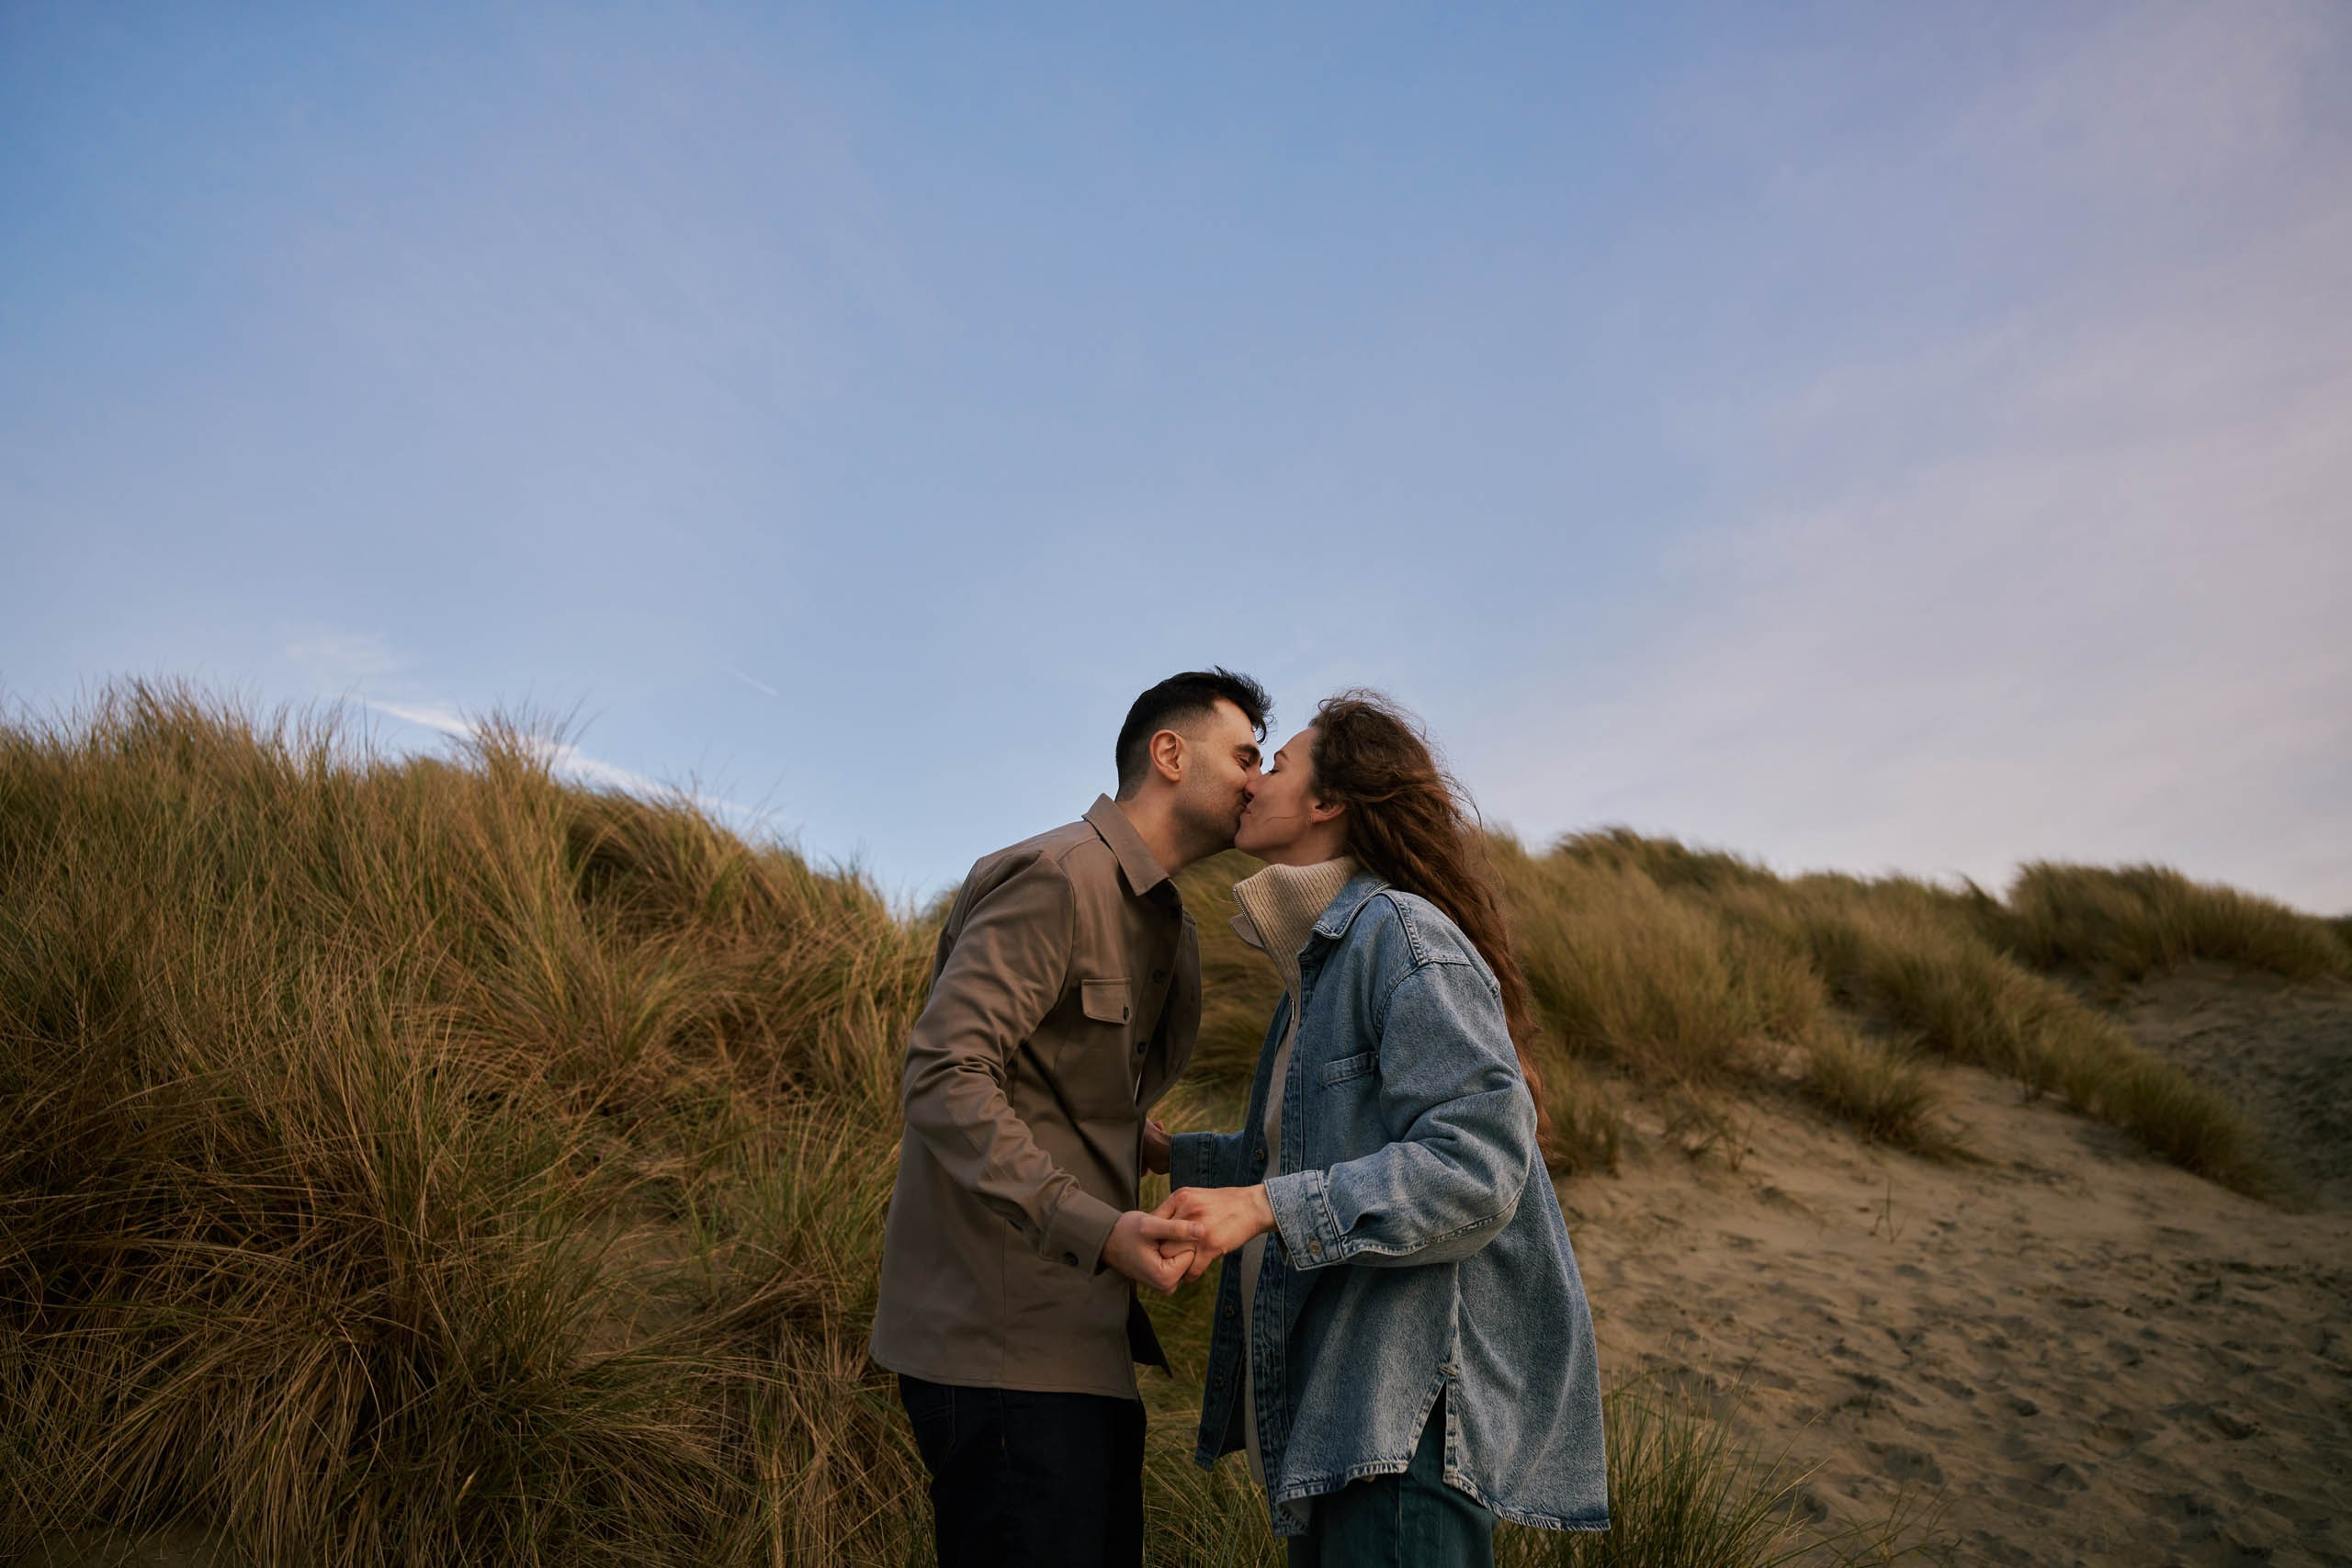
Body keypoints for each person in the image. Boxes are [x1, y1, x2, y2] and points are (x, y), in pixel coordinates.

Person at [1151, 691, 1609, 1564]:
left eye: (1276, 764)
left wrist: (1265, 1206)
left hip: (1404, 1429)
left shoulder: (1397, 934)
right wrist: (1176, 1156)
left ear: (1327, 801)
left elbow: (1478, 1164)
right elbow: (1310, 1151)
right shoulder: (1319, 970)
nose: (1253, 782)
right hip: (1343, 1424)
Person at [870, 668, 1272, 1568]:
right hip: (1002, 1349)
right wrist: (1097, 1227)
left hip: (1083, 1349)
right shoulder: (1057, 877)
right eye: (1246, 756)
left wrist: (1150, 1147)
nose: (1258, 780)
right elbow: (944, 1072)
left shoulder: (1166, 921)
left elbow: (1056, 1086)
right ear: (1170, 754)